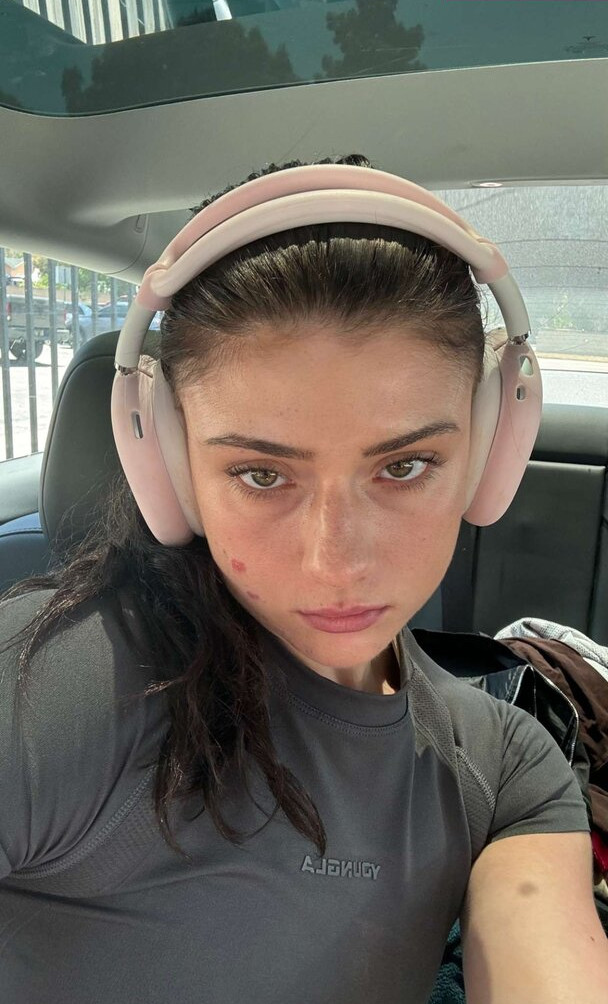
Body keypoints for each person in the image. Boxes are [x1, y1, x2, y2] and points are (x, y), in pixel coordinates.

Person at [0, 154, 593, 1004]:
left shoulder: (506, 771)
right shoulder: (51, 684)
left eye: (405, 466)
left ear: (490, 452)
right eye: (262, 475)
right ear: (171, 471)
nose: (336, 561)